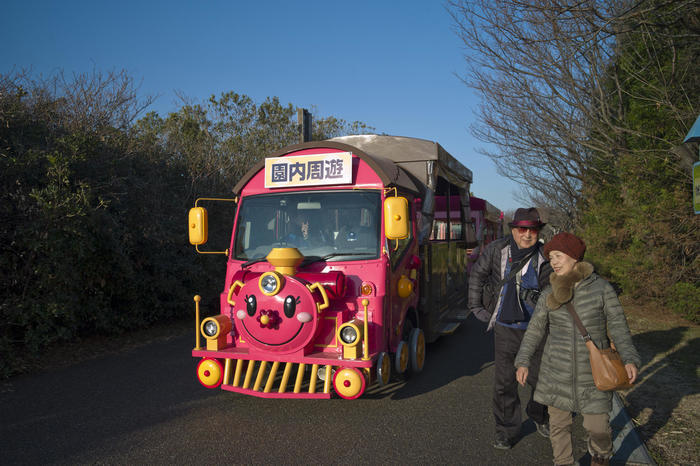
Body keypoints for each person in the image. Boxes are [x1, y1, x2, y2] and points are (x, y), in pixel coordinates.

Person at [515, 232, 640, 466]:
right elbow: (535, 330)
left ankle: (600, 457)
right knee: (559, 427)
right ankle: (563, 462)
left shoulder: (601, 289)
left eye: (559, 255)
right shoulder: (548, 294)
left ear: (574, 257)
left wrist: (629, 358)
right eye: (551, 257)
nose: (553, 261)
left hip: (593, 375)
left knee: (599, 430)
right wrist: (522, 361)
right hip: (556, 373)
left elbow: (619, 326)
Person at [468, 207, 552, 450]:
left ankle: (539, 414)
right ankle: (506, 430)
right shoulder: (497, 249)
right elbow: (477, 275)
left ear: (538, 232)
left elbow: (555, 288)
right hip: (505, 327)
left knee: (541, 379)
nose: (527, 234)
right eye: (522, 229)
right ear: (513, 230)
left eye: (532, 230)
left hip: (536, 329)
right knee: (505, 383)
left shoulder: (546, 255)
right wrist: (476, 306)